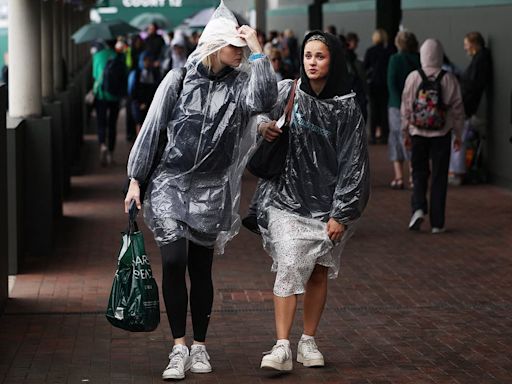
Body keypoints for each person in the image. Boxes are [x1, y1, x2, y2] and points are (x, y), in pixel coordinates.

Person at [123, 2, 277, 380]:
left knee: (200, 267)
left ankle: (201, 346)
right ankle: (178, 347)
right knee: (174, 260)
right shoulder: (178, 79)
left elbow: (266, 99)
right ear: (213, 44)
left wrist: (257, 47)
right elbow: (153, 129)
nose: (238, 50)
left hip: (211, 187)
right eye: (233, 44)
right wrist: (135, 179)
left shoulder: (242, 85)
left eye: (242, 46)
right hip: (170, 183)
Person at [256, 31, 370, 371]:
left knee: (318, 272)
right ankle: (281, 347)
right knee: (289, 265)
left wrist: (342, 212)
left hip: (328, 206)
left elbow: (354, 162)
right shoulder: (290, 91)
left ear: (332, 59)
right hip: (287, 199)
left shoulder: (347, 107)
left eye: (320, 56)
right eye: (308, 56)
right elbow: (257, 113)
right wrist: (264, 128)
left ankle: (308, 341)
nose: (312, 63)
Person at [401, 39, 464, 233]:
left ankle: (418, 208)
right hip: (441, 134)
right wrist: (459, 134)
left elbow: (406, 107)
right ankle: (437, 223)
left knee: (418, 173)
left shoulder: (413, 77)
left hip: (418, 132)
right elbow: (457, 109)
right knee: (439, 177)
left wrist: (405, 131)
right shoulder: (449, 78)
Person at [449, 31, 493, 185]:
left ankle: (457, 172)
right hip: (467, 105)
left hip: (466, 106)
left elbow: (471, 85)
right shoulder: (480, 59)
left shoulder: (479, 61)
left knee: (458, 138)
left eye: (467, 44)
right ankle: (457, 171)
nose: (465, 48)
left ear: (474, 44)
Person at [387, 30, 420, 189]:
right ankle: (414, 177)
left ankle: (399, 177)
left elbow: (391, 83)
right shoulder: (418, 59)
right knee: (412, 137)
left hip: (395, 104)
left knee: (396, 138)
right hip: (416, 104)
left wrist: (399, 101)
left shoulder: (395, 59)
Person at [92, 39, 126, 166]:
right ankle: (111, 153)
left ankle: (102, 145)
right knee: (112, 124)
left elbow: (95, 75)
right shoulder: (119, 56)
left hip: (101, 94)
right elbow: (124, 76)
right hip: (115, 96)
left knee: (101, 122)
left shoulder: (97, 56)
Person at [364, 28, 394, 144]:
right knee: (383, 110)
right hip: (385, 84)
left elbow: (365, 67)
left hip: (373, 84)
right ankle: (384, 135)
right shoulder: (390, 51)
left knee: (373, 110)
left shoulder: (370, 51)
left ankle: (372, 135)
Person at [127, 51, 161, 135]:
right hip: (138, 102)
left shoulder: (154, 73)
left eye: (149, 60)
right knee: (139, 122)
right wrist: (139, 103)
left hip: (150, 102)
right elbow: (132, 91)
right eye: (145, 60)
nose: (147, 63)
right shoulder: (136, 74)